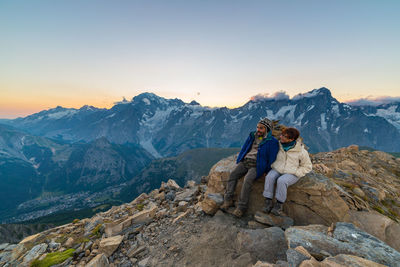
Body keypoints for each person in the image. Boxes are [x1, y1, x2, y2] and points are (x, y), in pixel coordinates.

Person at [220, 118, 279, 217]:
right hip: (246, 161)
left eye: (261, 128)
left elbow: (272, 158)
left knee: (247, 180)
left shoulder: (272, 141)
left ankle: (241, 207)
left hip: (257, 165)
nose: (258, 130)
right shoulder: (252, 135)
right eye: (257, 127)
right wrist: (240, 159)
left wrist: (267, 170)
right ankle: (228, 200)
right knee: (233, 175)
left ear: (267, 129)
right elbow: (245, 147)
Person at [262, 127, 312, 216]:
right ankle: (268, 202)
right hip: (278, 168)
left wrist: (297, 172)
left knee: (282, 181)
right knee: (269, 177)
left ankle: (278, 205)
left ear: (291, 139)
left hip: (292, 172)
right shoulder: (278, 146)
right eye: (281, 135)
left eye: (284, 136)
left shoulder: (301, 151)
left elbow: (307, 166)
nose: (281, 137)